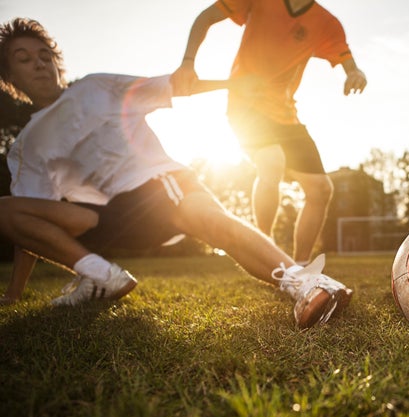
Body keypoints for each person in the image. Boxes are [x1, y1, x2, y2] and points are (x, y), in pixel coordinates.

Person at [0, 17, 352, 329]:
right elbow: (31, 225)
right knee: (7, 209)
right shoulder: (27, 145)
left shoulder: (94, 88)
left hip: (155, 186)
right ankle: (97, 275)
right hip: (106, 221)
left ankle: (306, 283)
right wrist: (14, 294)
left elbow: (172, 85)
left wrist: (232, 86)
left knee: (212, 222)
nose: (40, 65)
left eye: (45, 56)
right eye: (25, 59)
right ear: (9, 76)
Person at [172, 0, 367, 266]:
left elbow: (347, 61)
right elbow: (205, 17)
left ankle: (299, 268)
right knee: (272, 163)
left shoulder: (327, 23)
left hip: (286, 116)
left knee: (320, 189)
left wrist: (354, 73)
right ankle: (264, 253)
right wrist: (187, 63)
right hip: (246, 105)